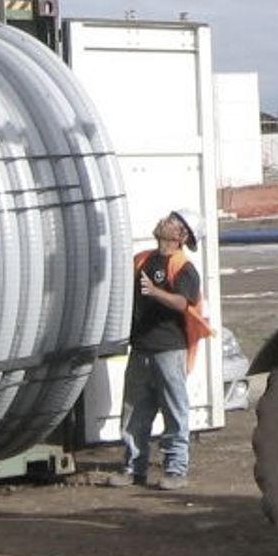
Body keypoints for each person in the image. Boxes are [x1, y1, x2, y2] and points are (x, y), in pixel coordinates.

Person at [108, 208, 210, 490]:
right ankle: (133, 469)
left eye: (173, 221)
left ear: (182, 235)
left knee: (175, 412)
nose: (165, 221)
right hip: (141, 348)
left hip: (169, 349)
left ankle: (175, 470)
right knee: (134, 413)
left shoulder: (183, 268)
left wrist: (154, 292)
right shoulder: (142, 260)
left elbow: (183, 303)